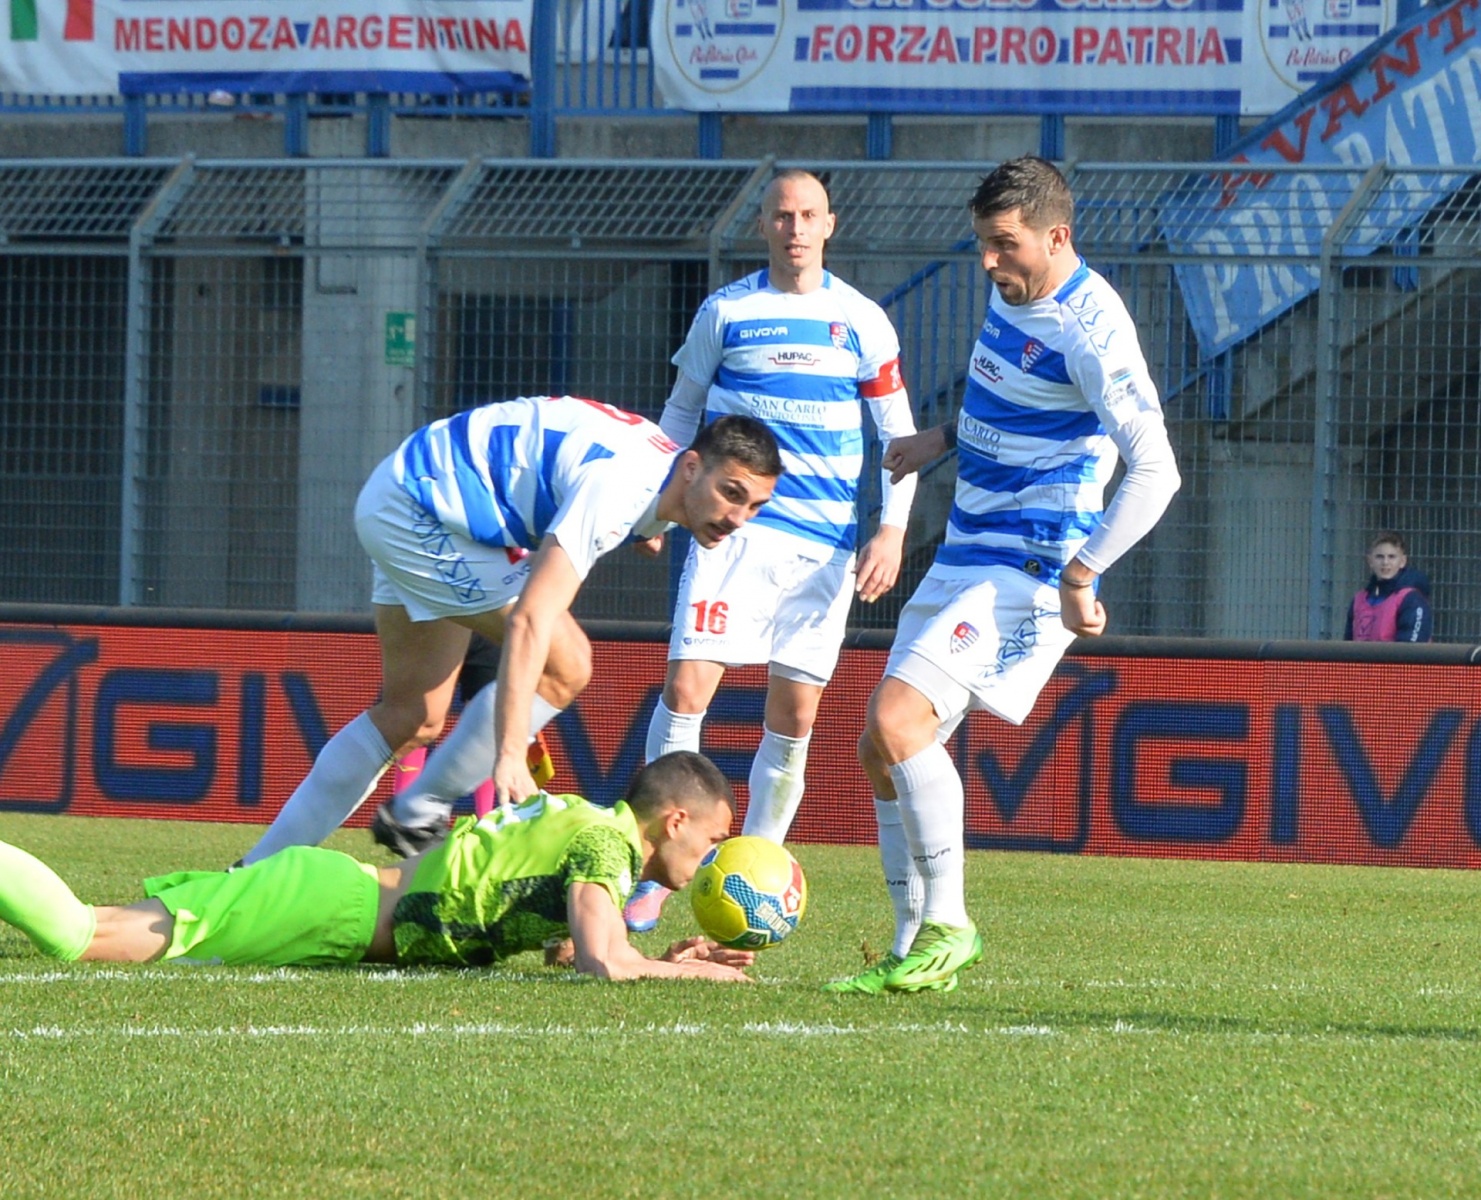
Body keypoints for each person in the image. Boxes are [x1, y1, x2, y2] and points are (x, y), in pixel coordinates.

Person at [832, 157, 1182, 995]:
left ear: (1056, 237)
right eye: (983, 245)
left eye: (1004, 245)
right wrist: (941, 438)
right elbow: (1023, 398)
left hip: (1027, 564)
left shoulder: (1092, 330)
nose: (988, 263)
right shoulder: (1018, 292)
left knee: (898, 719)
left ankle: (950, 924)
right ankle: (911, 942)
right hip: (966, 545)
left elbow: (1157, 471)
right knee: (878, 748)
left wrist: (1081, 572)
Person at [239, 395, 782, 866]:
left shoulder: (661, 477)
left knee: (412, 717)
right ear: (691, 468)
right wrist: (507, 752)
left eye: (755, 505)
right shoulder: (623, 486)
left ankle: (255, 871)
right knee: (566, 662)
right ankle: (418, 813)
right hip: (423, 515)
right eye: (731, 493)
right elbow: (529, 620)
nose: (738, 518)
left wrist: (648, 526)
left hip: (413, 491)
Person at [625, 168, 919, 932]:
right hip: (730, 535)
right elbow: (682, 409)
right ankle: (653, 869)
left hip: (820, 552)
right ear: (763, 225)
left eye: (808, 215)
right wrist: (659, 506)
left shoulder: (861, 320)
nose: (794, 228)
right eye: (782, 215)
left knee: (793, 718)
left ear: (830, 224)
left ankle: (754, 871)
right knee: (686, 693)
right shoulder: (726, 311)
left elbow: (898, 438)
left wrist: (890, 529)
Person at [0, 752, 755, 982]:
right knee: (77, 936)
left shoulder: (587, 827)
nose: (713, 856)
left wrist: (656, 953)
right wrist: (699, 972)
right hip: (330, 907)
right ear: (675, 820)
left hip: (330, 902)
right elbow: (600, 963)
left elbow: (572, 947)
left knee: (92, 928)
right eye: (715, 839)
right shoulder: (605, 844)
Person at [1343, 531, 1432, 643]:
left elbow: (1411, 649)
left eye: (1392, 557)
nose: (1385, 562)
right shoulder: (1359, 600)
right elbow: (1347, 643)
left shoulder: (1411, 600)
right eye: (1379, 557)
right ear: (1370, 561)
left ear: (1402, 561)